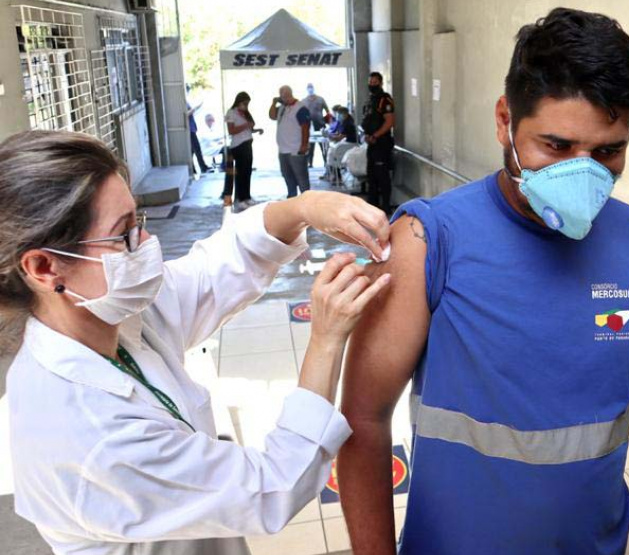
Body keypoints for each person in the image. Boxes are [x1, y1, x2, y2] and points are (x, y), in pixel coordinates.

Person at [338, 8, 629, 555]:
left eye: (607, 152)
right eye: (555, 146)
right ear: (505, 120)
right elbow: (363, 417)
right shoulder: (427, 243)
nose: (583, 172)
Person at [0, 129, 393, 555]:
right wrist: (326, 339)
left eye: (141, 223)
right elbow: (272, 486)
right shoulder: (87, 434)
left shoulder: (111, 319)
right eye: (123, 234)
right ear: (43, 267)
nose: (147, 246)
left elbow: (213, 272)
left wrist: (302, 207)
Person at [360, 72, 396, 214]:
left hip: (382, 143)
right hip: (371, 144)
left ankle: (385, 207)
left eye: (375, 82)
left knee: (382, 177)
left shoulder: (385, 99)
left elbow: (389, 121)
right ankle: (372, 207)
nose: (372, 85)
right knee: (371, 176)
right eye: (370, 82)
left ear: (380, 83)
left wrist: (375, 135)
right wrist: (368, 136)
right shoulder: (371, 100)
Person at [269, 86, 312, 199]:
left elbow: (305, 127)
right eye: (281, 95)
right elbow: (272, 116)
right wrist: (273, 103)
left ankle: (306, 200)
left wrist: (303, 145)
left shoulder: (300, 107)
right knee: (287, 176)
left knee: (301, 178)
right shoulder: (282, 108)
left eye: (283, 95)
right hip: (283, 149)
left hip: (296, 149)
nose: (282, 97)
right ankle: (292, 198)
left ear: (288, 94)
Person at [222, 92, 263, 210]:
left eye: (247, 103)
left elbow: (248, 128)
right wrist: (246, 125)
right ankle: (239, 198)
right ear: (239, 101)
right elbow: (232, 130)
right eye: (244, 103)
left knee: (247, 172)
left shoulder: (245, 113)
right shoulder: (231, 113)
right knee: (240, 173)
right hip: (238, 146)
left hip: (247, 144)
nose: (246, 105)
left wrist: (255, 130)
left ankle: (247, 197)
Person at [324, 106, 359, 183]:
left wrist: (329, 136)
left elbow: (339, 137)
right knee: (331, 151)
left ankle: (337, 176)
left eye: (338, 114)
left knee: (333, 152)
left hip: (350, 144)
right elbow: (339, 134)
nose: (337, 116)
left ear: (343, 114)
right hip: (347, 142)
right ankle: (332, 174)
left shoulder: (348, 123)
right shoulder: (345, 121)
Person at [302, 83, 331, 167]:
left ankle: (326, 162)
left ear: (314, 88)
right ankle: (310, 163)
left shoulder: (320, 99)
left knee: (323, 144)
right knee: (310, 145)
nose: (310, 89)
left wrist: (328, 121)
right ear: (307, 89)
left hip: (320, 124)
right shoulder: (304, 101)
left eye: (311, 87)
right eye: (308, 88)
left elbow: (327, 111)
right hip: (309, 126)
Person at [186, 85, 210, 175]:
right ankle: (202, 167)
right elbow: (186, 114)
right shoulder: (182, 102)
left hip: (192, 127)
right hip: (189, 129)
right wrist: (195, 108)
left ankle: (194, 168)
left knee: (192, 150)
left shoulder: (186, 101)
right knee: (196, 149)